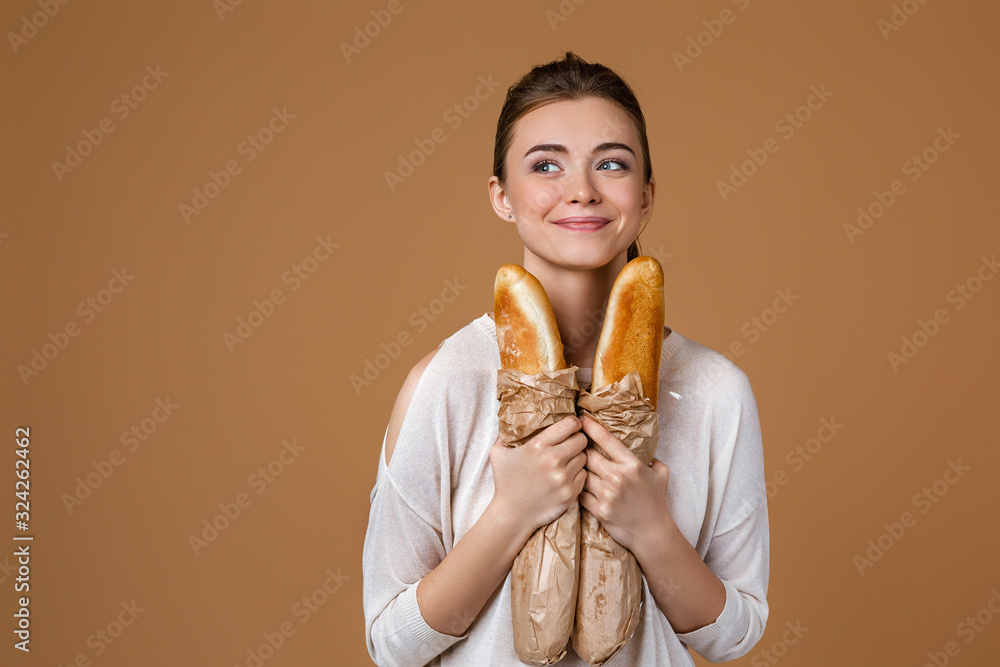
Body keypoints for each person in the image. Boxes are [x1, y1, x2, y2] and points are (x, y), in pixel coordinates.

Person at [363, 51, 769, 666]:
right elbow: (392, 645)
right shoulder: (445, 383)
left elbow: (732, 634)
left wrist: (652, 530)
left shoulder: (715, 390)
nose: (581, 191)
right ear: (502, 196)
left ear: (647, 193)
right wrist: (512, 514)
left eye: (611, 164)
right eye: (546, 165)